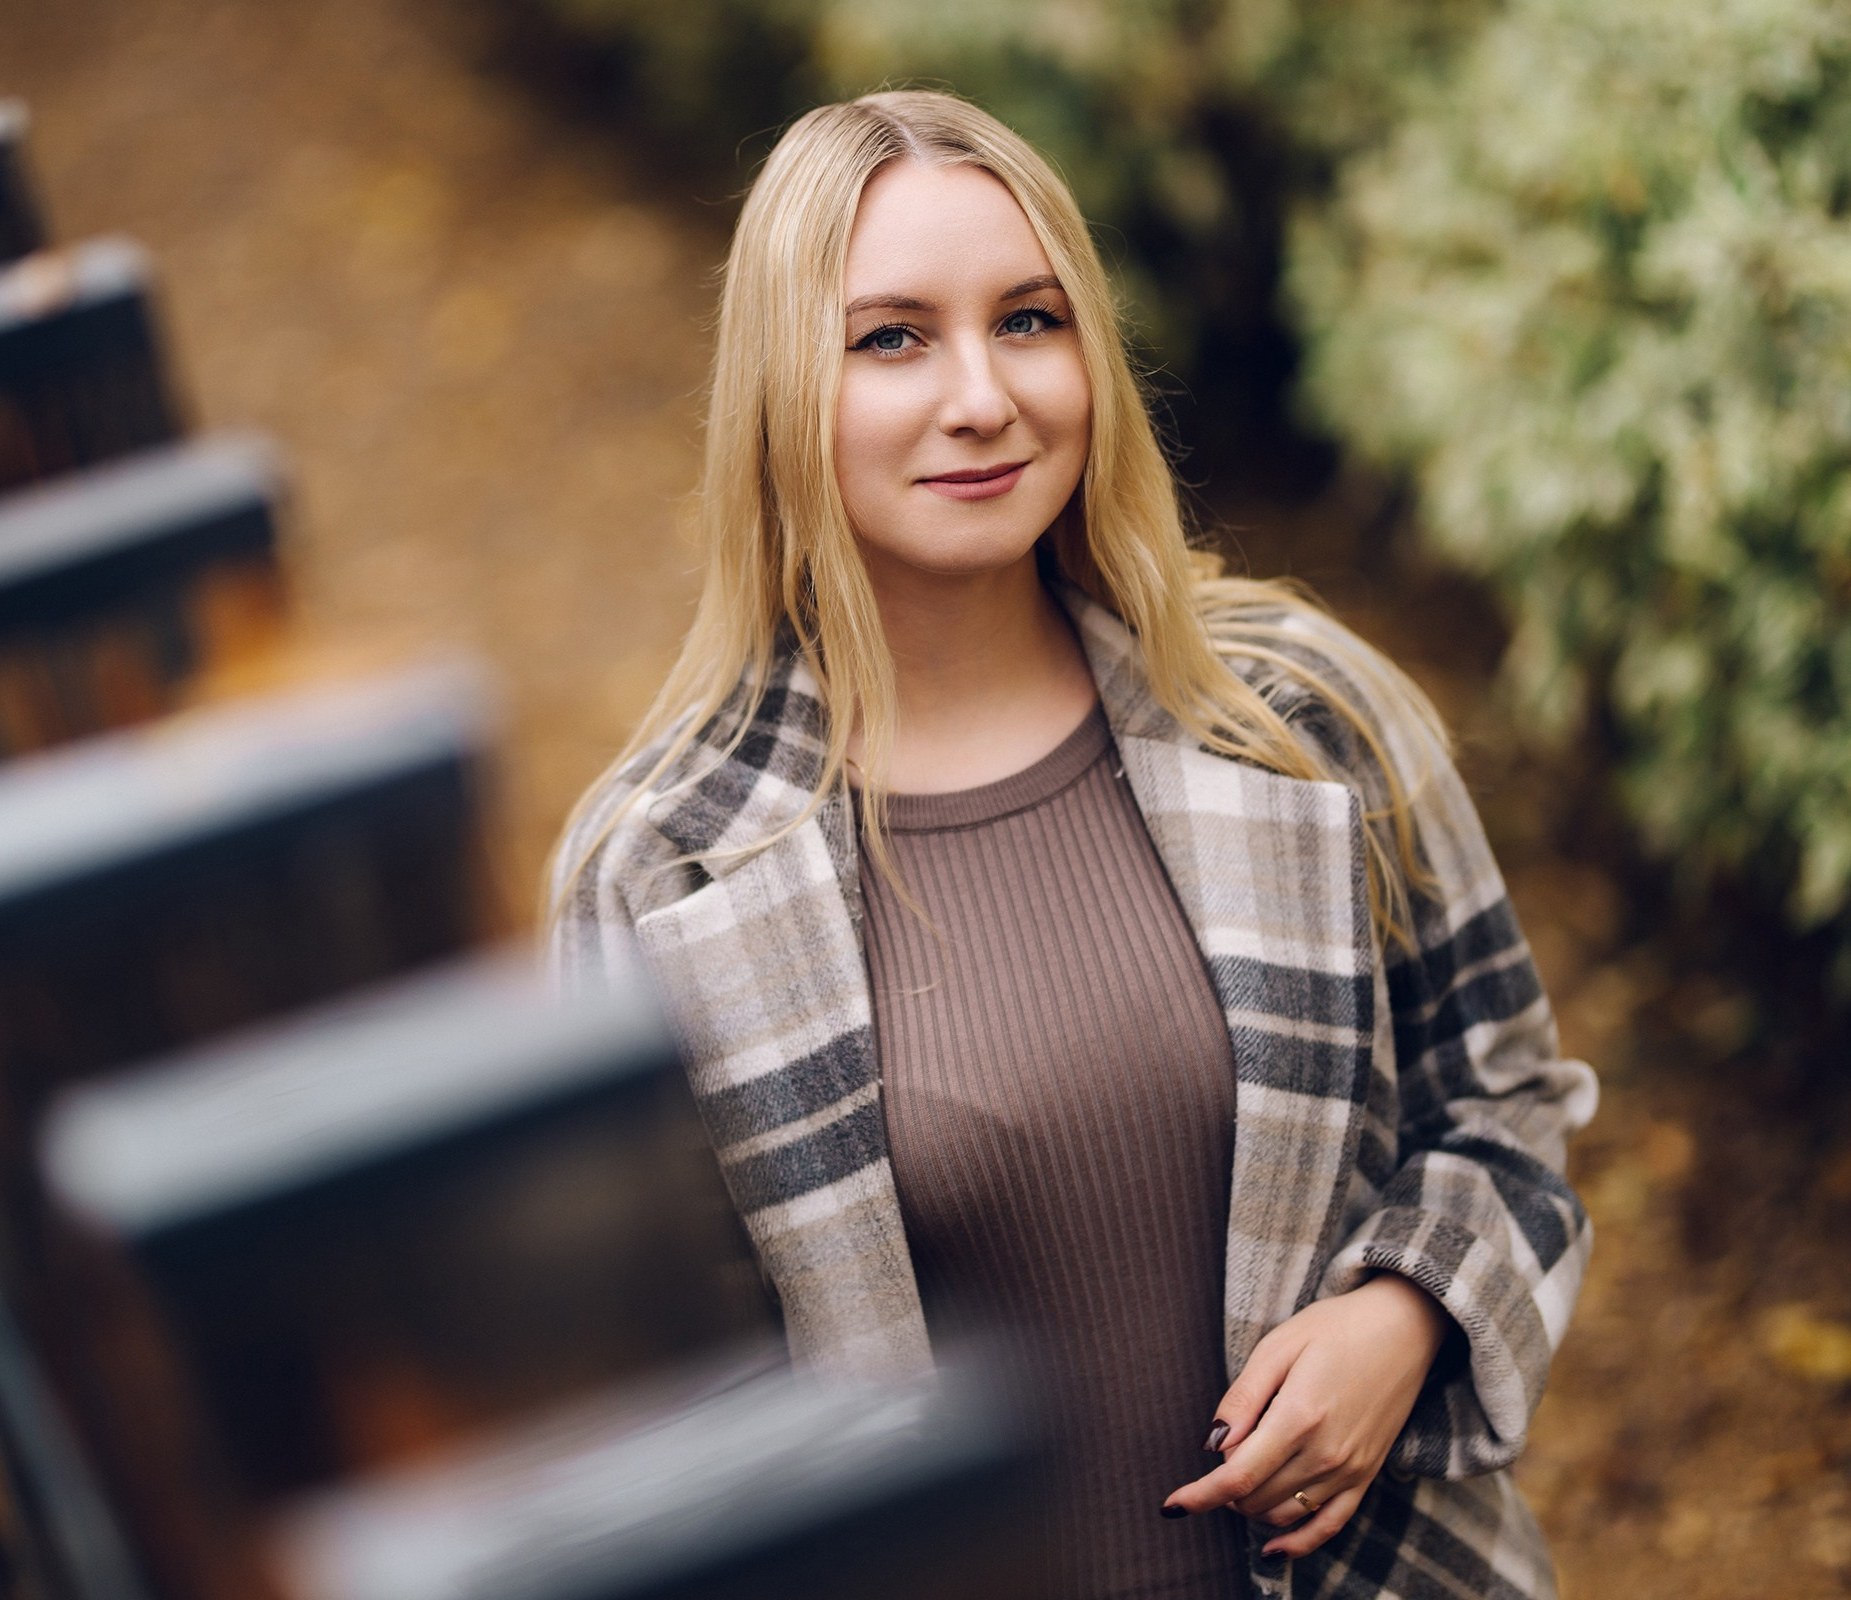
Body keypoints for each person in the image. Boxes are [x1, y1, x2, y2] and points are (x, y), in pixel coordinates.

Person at [548, 90, 1596, 1599]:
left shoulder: (1301, 715)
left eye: (1029, 320)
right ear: (784, 387)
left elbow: (1504, 1096)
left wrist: (1409, 1310)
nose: (982, 396)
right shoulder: (659, 873)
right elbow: (645, 1408)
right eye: (892, 337)